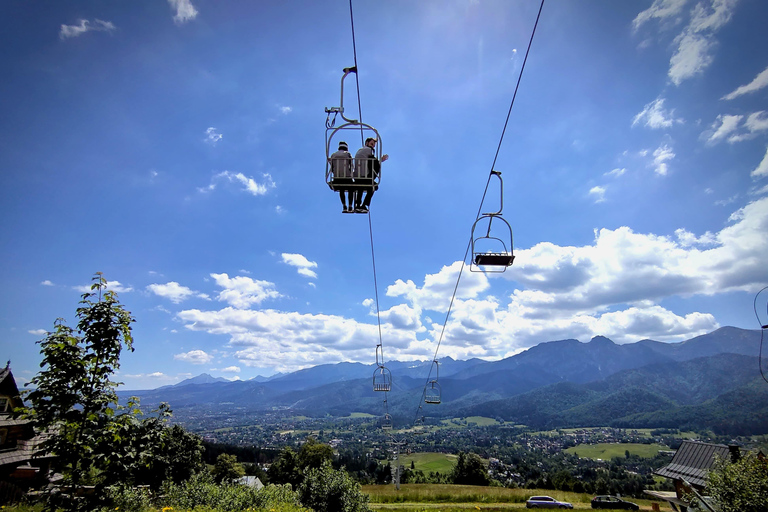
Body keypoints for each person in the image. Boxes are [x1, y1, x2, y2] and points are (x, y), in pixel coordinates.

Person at [353, 137, 388, 213]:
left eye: (373, 145)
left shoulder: (360, 150)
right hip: (364, 175)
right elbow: (373, 162)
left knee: (361, 187)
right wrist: (381, 160)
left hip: (357, 176)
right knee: (374, 187)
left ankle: (358, 205)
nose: (373, 146)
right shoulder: (369, 150)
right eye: (372, 144)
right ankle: (364, 205)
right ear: (367, 143)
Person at [329, 141, 354, 212]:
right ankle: (350, 205)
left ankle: (344, 205)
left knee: (341, 189)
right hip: (347, 177)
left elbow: (332, 167)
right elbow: (351, 165)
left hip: (337, 177)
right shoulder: (348, 154)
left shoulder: (333, 155)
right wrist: (352, 174)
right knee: (351, 189)